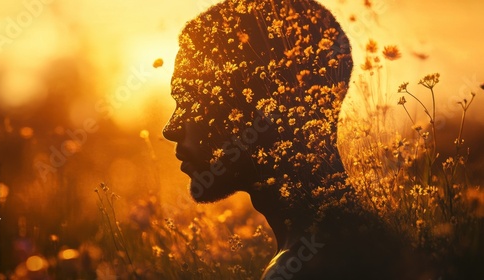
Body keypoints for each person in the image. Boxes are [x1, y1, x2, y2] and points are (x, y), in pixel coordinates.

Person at [163, 0, 409, 278]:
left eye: (191, 102)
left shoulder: (310, 267)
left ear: (265, 108)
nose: (170, 128)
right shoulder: (364, 244)